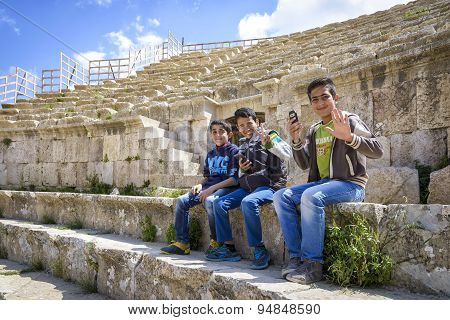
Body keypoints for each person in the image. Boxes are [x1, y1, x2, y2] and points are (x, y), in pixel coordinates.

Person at [273, 77, 383, 284]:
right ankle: (296, 258)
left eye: (325, 97)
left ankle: (313, 265)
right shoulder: (315, 130)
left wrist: (349, 137)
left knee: (310, 196)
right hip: (322, 184)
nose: (320, 103)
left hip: (351, 185)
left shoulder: (349, 120)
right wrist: (296, 139)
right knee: (280, 196)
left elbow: (377, 150)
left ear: (335, 98)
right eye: (315, 100)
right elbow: (305, 164)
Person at [206, 107, 292, 270]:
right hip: (248, 187)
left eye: (249, 123)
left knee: (247, 202)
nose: (246, 128)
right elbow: (240, 174)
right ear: (238, 128)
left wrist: (269, 143)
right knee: (219, 203)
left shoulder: (270, 134)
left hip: (269, 186)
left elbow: (287, 154)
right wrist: (242, 169)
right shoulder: (243, 145)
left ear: (257, 122)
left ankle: (259, 249)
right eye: (241, 125)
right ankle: (228, 248)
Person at [160, 120, 239, 256]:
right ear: (210, 135)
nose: (218, 134)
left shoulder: (234, 151)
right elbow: (209, 177)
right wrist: (201, 185)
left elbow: (234, 180)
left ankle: (216, 242)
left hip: (225, 188)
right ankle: (182, 243)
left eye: (222, 131)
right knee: (181, 200)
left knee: (210, 201)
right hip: (208, 187)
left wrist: (210, 190)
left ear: (230, 134)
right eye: (214, 132)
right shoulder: (211, 154)